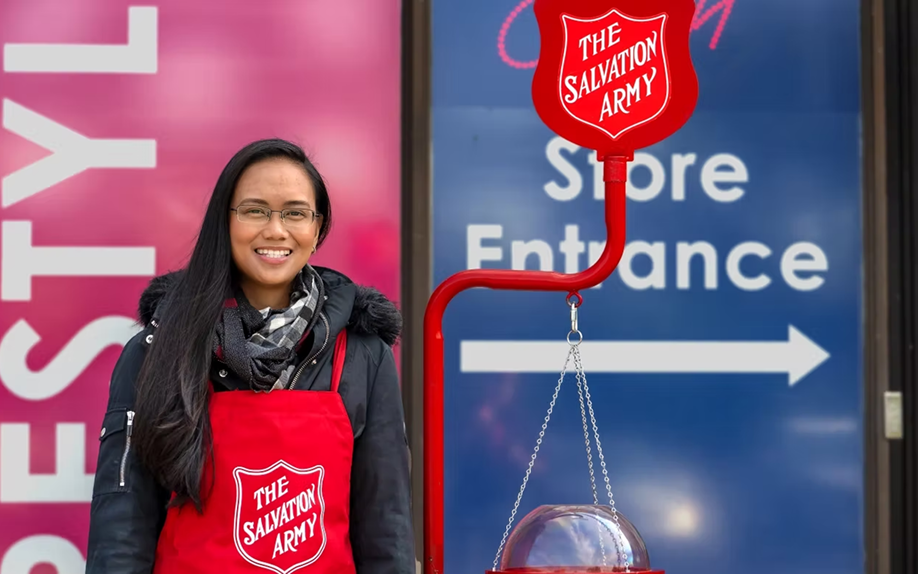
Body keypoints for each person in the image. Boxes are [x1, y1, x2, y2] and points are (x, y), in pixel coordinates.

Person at [85, 138, 415, 574]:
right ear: (225, 222)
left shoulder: (363, 355)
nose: (275, 230)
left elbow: (385, 529)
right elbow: (122, 529)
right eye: (255, 210)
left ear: (317, 230)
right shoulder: (155, 351)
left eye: (295, 213)